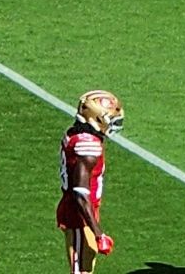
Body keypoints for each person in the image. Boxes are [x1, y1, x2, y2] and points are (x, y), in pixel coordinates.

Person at [58, 90, 124, 274]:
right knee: (80, 270)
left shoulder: (76, 134)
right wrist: (98, 233)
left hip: (84, 210)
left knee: (87, 265)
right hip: (79, 213)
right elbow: (79, 193)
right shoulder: (88, 148)